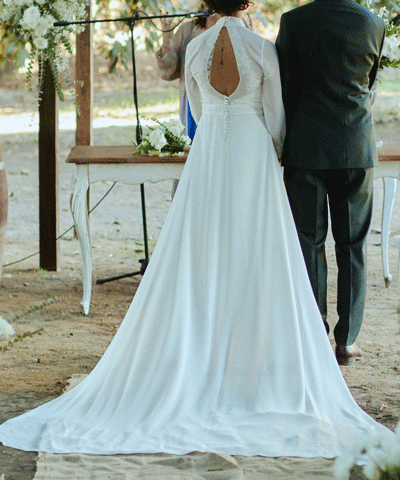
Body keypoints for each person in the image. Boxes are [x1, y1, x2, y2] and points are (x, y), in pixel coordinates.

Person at [0, 0, 393, 457]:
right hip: (255, 152)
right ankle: (273, 348)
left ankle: (200, 343)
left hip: (209, 154)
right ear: (246, 4)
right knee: (257, 248)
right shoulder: (263, 48)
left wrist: (215, 140)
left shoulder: (196, 48)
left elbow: (199, 113)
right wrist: (274, 151)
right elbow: (276, 115)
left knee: (201, 247)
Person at [275, 0, 386, 366]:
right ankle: (347, 340)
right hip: (354, 146)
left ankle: (313, 333)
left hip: (305, 146)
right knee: (353, 244)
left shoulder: (293, 22)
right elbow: (368, 82)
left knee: (308, 241)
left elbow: (284, 84)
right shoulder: (372, 23)